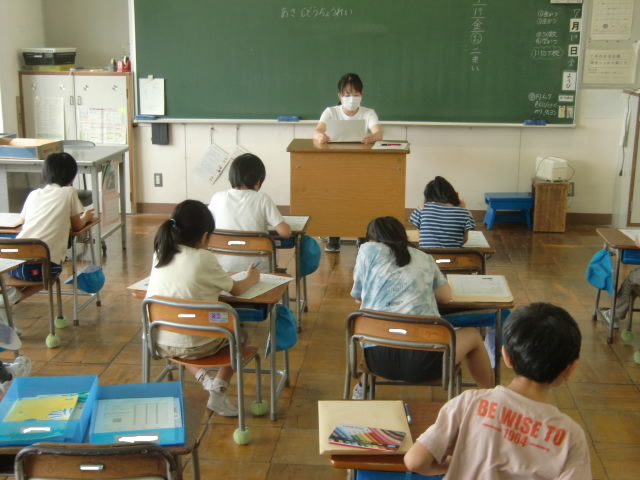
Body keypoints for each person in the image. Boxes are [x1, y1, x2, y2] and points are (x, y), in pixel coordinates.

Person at [404, 302, 591, 479]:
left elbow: (414, 461)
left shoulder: (468, 402)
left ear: (506, 356)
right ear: (570, 369)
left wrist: (456, 464)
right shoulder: (571, 437)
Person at [350, 216, 493, 399]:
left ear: (371, 238)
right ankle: (489, 397)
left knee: (379, 328)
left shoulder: (367, 251)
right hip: (426, 364)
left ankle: (363, 386)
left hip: (377, 361)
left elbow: (357, 295)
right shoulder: (423, 258)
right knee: (473, 335)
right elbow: (445, 297)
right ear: (403, 235)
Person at [145, 200, 260, 416]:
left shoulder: (161, 251)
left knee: (181, 328)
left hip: (158, 341)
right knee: (239, 335)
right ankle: (217, 391)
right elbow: (236, 289)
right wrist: (252, 277)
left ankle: (204, 378)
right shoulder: (203, 258)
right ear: (205, 236)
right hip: (197, 346)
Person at [314, 73, 383, 253]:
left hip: (361, 165)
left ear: (362, 94)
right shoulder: (331, 112)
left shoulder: (368, 113)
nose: (352, 98)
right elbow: (318, 129)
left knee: (361, 198)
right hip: (335, 165)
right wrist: (320, 136)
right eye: (347, 94)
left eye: (355, 94)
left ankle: (361, 235)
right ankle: (334, 236)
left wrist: (371, 137)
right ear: (340, 95)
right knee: (335, 198)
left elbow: (379, 132)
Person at [10, 152, 94, 282]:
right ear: (72, 178)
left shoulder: (34, 194)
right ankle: (20, 292)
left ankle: (15, 292)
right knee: (47, 274)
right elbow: (77, 225)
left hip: (14, 264)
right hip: (45, 267)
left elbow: (22, 221)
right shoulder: (69, 192)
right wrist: (86, 217)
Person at [208, 153, 291, 272]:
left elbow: (206, 227)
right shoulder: (262, 198)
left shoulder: (217, 197)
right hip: (257, 266)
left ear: (232, 177)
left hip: (223, 266)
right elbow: (285, 233)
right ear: (258, 181)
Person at [409, 176, 475, 248]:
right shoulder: (465, 213)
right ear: (452, 194)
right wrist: (462, 208)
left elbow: (420, 237)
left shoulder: (421, 209)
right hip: (454, 255)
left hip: (428, 254)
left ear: (427, 196)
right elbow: (464, 240)